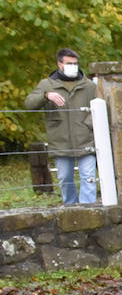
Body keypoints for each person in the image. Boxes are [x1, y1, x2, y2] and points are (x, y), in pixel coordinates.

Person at [25, 48, 99, 205]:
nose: (73, 66)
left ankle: (88, 210)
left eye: (75, 63)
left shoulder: (89, 86)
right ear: (60, 64)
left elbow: (101, 107)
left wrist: (88, 125)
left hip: (86, 140)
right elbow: (29, 104)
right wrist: (46, 96)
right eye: (69, 63)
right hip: (60, 141)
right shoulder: (47, 84)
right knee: (65, 179)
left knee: (89, 177)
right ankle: (71, 209)